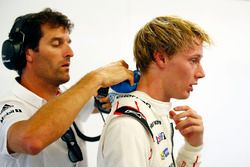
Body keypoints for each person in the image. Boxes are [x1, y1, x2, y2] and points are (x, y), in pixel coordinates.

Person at [0, 8, 134, 167]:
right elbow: (31, 140)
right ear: (28, 53)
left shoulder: (65, 96)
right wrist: (96, 78)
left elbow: (95, 101)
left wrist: (112, 94)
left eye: (68, 43)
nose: (70, 52)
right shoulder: (9, 106)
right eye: (56, 44)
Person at [97, 15, 211, 167]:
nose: (201, 73)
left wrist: (192, 148)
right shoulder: (128, 127)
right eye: (193, 60)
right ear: (161, 58)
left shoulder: (153, 112)